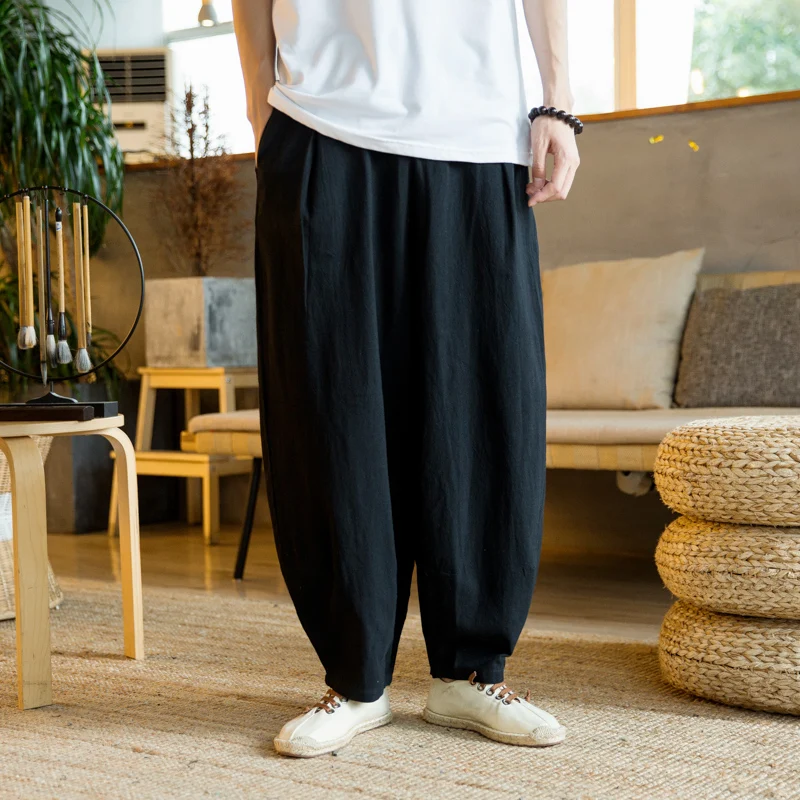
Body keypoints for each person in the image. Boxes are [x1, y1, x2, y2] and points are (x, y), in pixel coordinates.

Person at [232, 0, 581, 758]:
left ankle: (470, 673)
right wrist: (261, 110)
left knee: (484, 403)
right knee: (331, 407)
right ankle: (356, 679)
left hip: (480, 134)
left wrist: (557, 100)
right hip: (320, 123)